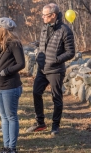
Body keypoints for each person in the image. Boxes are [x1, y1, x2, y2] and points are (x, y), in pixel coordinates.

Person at [26, 3, 75, 135]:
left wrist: (56, 60)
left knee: (56, 98)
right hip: (42, 69)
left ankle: (55, 125)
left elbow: (71, 52)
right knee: (36, 93)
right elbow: (45, 44)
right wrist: (38, 44)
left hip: (56, 70)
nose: (42, 17)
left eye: (45, 15)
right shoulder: (44, 28)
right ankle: (40, 123)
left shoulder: (65, 30)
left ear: (53, 15)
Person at [0, 17, 25, 153]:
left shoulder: (14, 43)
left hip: (10, 87)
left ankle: (12, 147)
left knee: (11, 117)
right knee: (3, 118)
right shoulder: (1, 44)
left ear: (4, 29)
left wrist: (7, 71)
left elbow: (21, 63)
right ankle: (6, 146)